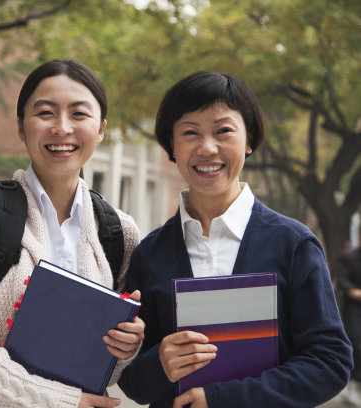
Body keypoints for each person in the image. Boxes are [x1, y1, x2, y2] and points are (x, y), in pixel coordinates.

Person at [117, 71, 352, 408]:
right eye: (189, 133)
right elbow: (131, 381)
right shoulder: (150, 253)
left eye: (223, 131)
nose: (207, 147)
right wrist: (159, 365)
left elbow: (330, 362)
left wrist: (223, 398)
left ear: (249, 139)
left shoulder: (293, 244)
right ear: (172, 145)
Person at [0, 59, 144, 408]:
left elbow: (109, 367)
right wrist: (52, 400)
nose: (62, 128)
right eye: (45, 113)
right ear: (22, 127)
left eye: (79, 114)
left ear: (101, 129)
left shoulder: (120, 232)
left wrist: (127, 348)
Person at [337, 240, 361, 406]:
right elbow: (342, 283)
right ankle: (352, 383)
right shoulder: (349, 257)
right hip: (354, 308)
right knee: (356, 341)